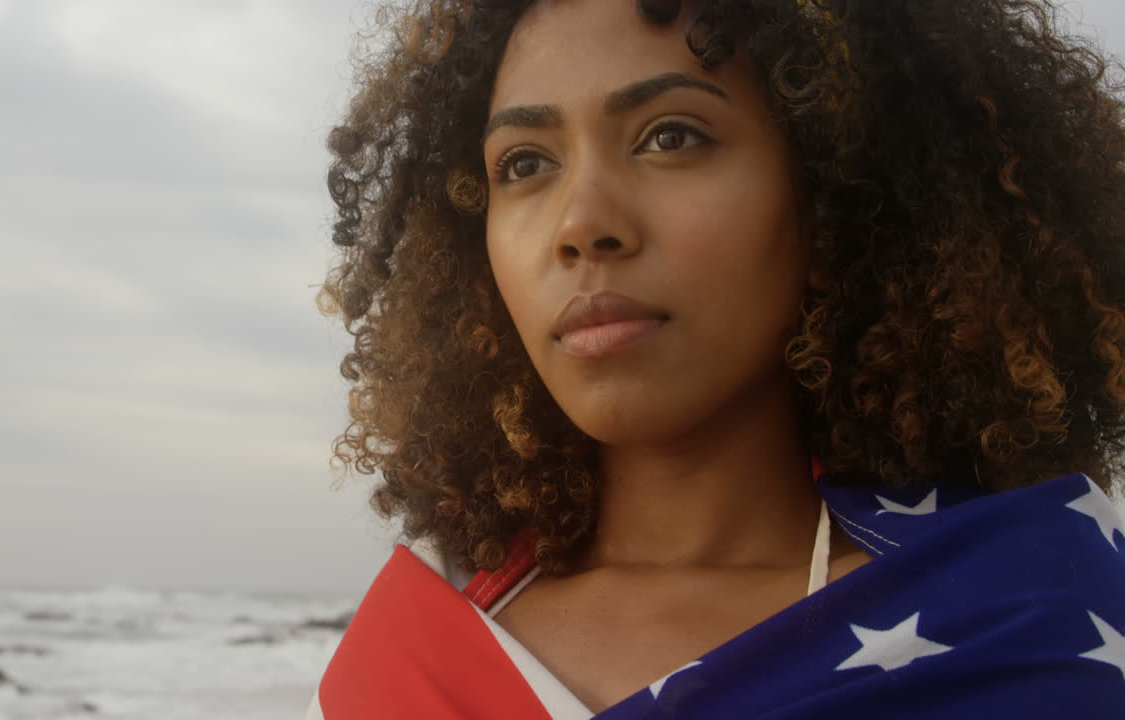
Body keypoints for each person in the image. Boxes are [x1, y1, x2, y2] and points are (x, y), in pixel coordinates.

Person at [305, 0, 1125, 716]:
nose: (582, 221)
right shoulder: (404, 658)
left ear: (832, 191)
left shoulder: (1034, 617)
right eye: (524, 164)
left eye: (670, 137)